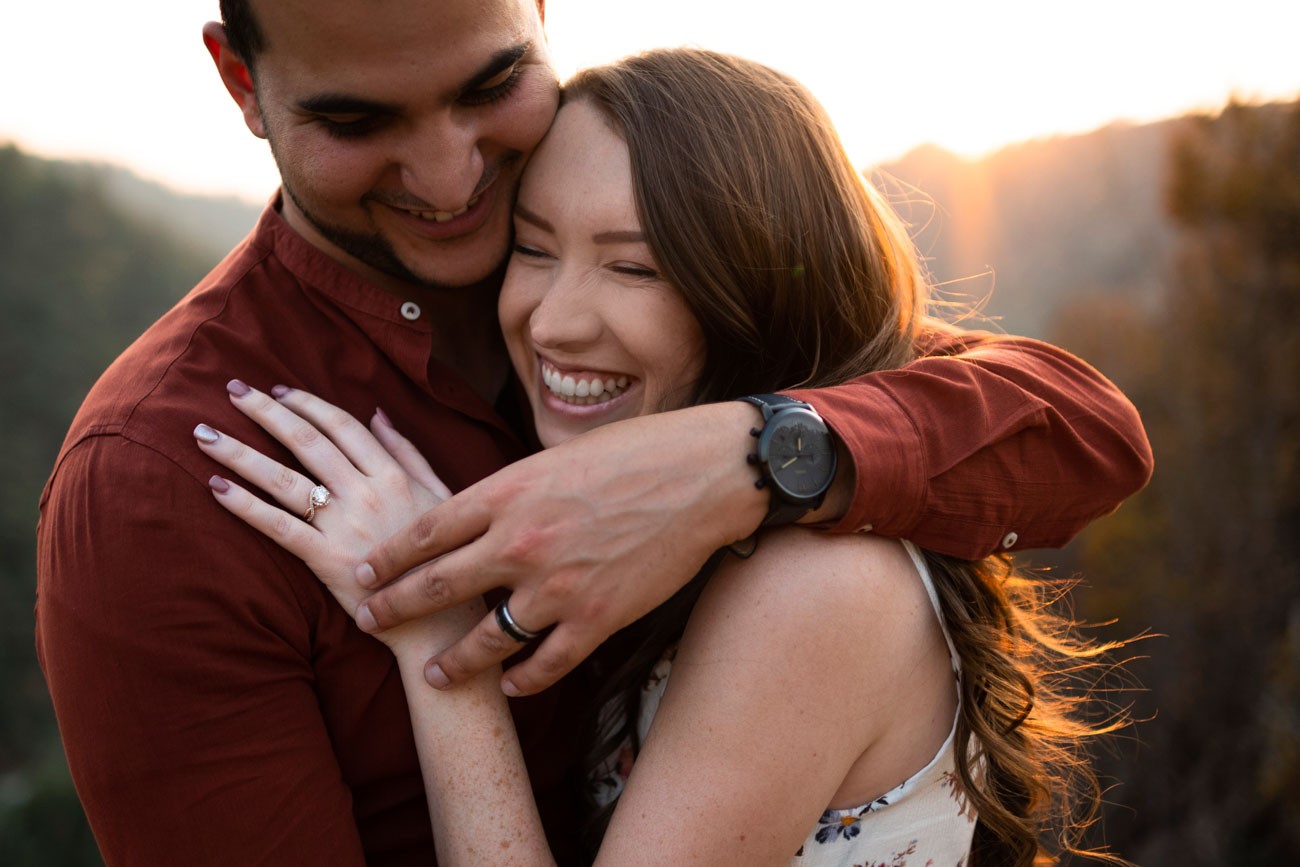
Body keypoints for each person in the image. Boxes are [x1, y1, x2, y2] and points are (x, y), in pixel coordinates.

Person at [34, 0, 1150, 863]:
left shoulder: (638, 275)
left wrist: (748, 458)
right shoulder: (158, 482)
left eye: (488, 87)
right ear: (242, 81)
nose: (450, 180)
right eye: (356, 121)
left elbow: (1087, 433)